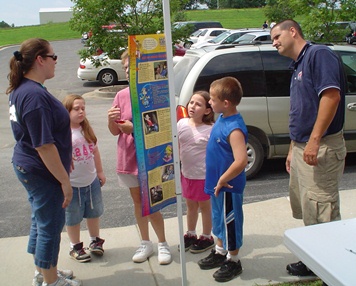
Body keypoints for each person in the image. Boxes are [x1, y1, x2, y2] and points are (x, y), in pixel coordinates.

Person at [270, 20, 346, 278]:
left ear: (293, 31)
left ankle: (332, 269)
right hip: (303, 147)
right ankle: (314, 259)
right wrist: (294, 147)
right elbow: (301, 111)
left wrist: (313, 141)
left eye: (277, 36)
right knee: (309, 209)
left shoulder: (319, 55)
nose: (274, 42)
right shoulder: (298, 65)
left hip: (322, 147)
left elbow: (331, 96)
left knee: (322, 209)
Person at [6, 38, 81, 286]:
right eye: (53, 56)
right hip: (41, 172)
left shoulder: (26, 89)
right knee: (50, 226)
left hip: (32, 167)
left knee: (40, 221)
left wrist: (63, 161)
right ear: (40, 59)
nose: (56, 61)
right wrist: (64, 181)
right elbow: (44, 145)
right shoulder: (33, 96)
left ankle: (43, 271)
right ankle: (51, 282)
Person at [107, 50, 172, 265]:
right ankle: (146, 242)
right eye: (125, 68)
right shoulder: (121, 95)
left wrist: (133, 129)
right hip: (128, 158)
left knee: (153, 200)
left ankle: (162, 243)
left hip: (150, 158)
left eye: (131, 68)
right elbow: (115, 131)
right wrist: (111, 120)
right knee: (137, 202)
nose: (127, 72)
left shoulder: (154, 93)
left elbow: (160, 128)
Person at [197, 77, 248, 283]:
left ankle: (234, 260)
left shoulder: (234, 128)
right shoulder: (222, 117)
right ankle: (220, 251)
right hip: (217, 185)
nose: (209, 102)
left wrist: (223, 179)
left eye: (213, 99)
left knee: (230, 223)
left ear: (225, 103)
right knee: (218, 220)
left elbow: (241, 160)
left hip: (228, 186)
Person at [62, 94, 106, 263]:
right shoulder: (63, 133)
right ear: (66, 111)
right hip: (73, 184)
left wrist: (100, 172)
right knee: (73, 217)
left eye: (83, 108)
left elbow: (95, 151)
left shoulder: (86, 129)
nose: (81, 112)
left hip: (91, 181)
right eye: (76, 109)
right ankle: (75, 246)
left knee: (93, 213)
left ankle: (95, 240)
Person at [177, 90, 215, 253]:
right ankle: (190, 234)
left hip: (203, 176)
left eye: (198, 104)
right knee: (190, 205)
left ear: (207, 110)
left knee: (205, 207)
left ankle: (207, 236)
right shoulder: (181, 124)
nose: (192, 106)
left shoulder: (210, 129)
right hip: (186, 174)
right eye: (191, 102)